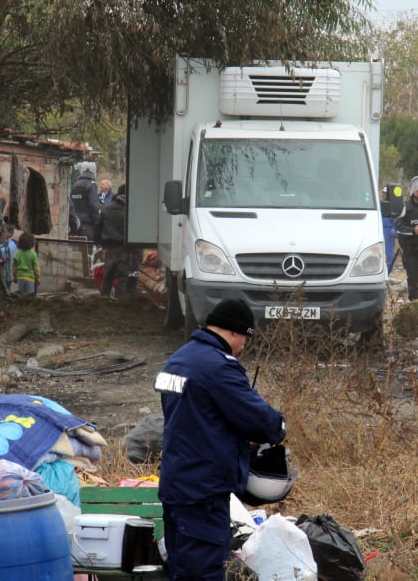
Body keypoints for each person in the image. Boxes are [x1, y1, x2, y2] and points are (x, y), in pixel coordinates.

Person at [154, 298, 286, 580]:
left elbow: (197, 420)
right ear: (237, 332)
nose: (242, 348)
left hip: (176, 486)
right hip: (204, 492)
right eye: (245, 340)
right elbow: (262, 421)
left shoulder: (178, 359)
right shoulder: (218, 367)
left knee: (181, 570)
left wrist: (235, 437)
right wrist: (279, 428)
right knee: (203, 573)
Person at [94, 184, 130, 297]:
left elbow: (97, 227)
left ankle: (104, 301)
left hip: (108, 247)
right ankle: (120, 303)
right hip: (124, 248)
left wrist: (98, 242)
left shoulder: (106, 209)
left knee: (107, 276)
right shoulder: (130, 211)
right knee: (122, 277)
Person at [70, 164, 101, 243]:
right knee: (87, 248)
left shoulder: (73, 185)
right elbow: (94, 205)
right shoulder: (91, 184)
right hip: (87, 223)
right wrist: (97, 223)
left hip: (74, 222)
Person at [11, 231, 41, 296]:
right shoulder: (33, 254)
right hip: (30, 279)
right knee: (28, 298)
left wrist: (15, 277)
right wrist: (38, 278)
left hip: (20, 278)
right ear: (32, 243)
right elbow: (36, 268)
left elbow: (14, 267)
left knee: (20, 296)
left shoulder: (17, 253)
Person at [0, 223, 17, 295]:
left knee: (3, 292)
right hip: (9, 275)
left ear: (10, 233)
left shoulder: (8, 247)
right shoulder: (13, 244)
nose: (2, 233)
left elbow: (3, 260)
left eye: (4, 231)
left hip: (5, 275)